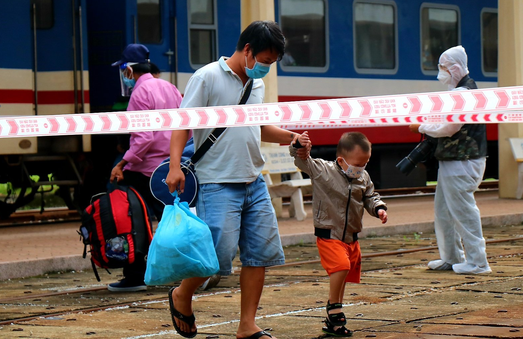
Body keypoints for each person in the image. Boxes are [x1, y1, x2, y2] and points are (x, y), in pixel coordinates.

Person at [165, 21, 300, 339]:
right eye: (265, 61)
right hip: (217, 181)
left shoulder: (256, 85)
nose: (266, 68)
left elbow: (260, 126)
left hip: (254, 180)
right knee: (215, 255)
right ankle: (182, 295)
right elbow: (181, 124)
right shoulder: (207, 77)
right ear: (248, 50)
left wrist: (291, 137)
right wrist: (174, 167)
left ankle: (247, 326)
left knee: (259, 255)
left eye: (271, 63)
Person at [289, 131, 387, 337]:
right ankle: (334, 308)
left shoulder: (363, 176)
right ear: (341, 160)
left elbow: (370, 196)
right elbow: (301, 160)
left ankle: (333, 324)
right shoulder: (323, 170)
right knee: (340, 267)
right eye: (358, 164)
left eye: (365, 164)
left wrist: (378, 208)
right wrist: (298, 144)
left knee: (344, 274)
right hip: (328, 232)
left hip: (351, 235)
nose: (361, 169)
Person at [409, 45, 490, 275]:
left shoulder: (462, 93)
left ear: (454, 69)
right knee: (444, 211)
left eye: (443, 68)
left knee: (464, 211)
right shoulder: (462, 91)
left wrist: (421, 126)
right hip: (454, 161)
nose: (440, 72)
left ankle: (478, 262)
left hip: (462, 162)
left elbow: (450, 128)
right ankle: (452, 257)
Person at [108, 43, 182, 292]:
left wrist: (123, 163)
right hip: (170, 166)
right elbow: (186, 126)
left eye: (123, 70)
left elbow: (143, 138)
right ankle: (183, 270)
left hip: (145, 168)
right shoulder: (170, 87)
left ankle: (136, 274)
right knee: (172, 219)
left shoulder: (139, 94)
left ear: (128, 70)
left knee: (133, 219)